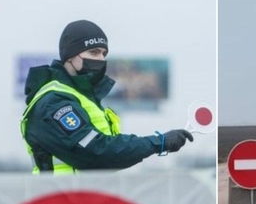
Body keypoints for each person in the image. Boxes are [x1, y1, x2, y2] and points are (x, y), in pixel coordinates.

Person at [20, 19, 193, 173]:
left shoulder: (84, 99)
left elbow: (110, 157)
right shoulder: (54, 102)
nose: (101, 59)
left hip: (86, 201)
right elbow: (97, 152)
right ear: (70, 56)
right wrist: (158, 142)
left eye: (104, 53)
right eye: (94, 52)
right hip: (61, 203)